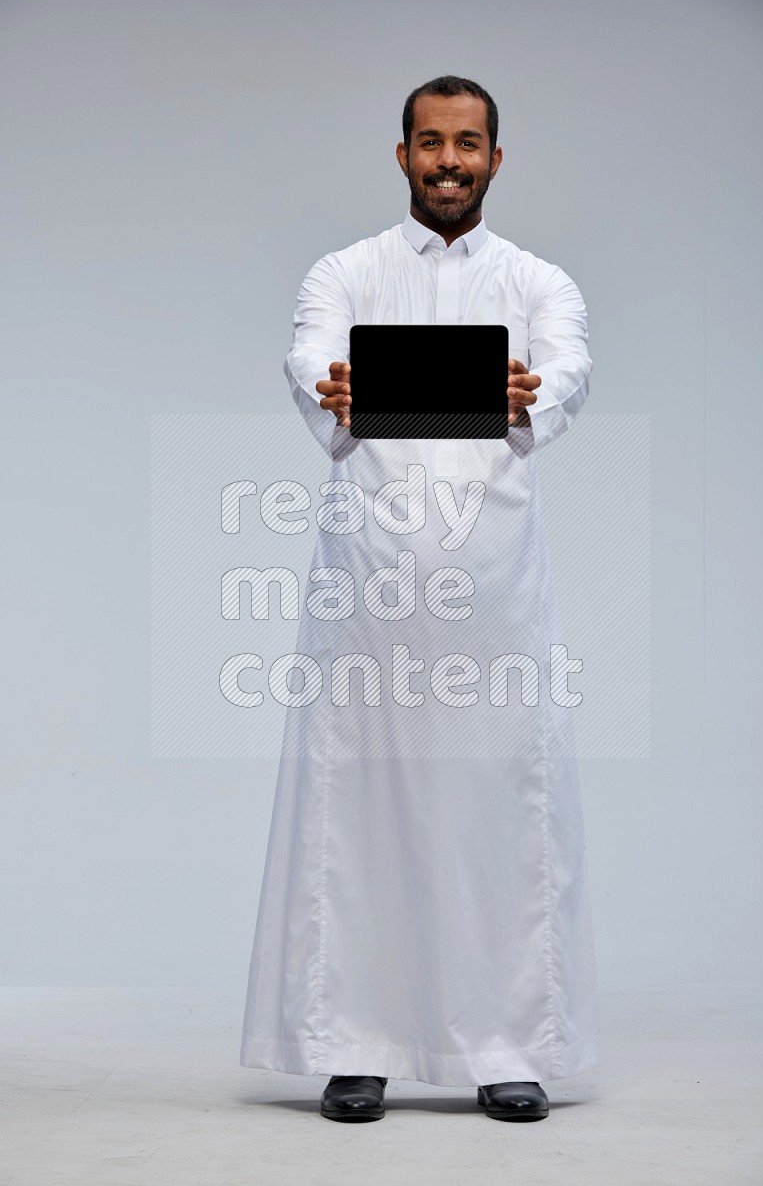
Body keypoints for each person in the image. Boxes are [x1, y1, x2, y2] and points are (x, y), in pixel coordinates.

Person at [240, 74, 600, 1123]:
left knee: (497, 808)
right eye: (430, 142)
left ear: (495, 157)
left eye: (469, 144)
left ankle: (506, 1044)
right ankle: (354, 1042)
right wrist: (332, 384)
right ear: (400, 154)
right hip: (368, 591)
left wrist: (535, 389)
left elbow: (566, 368)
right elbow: (311, 354)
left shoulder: (540, 283)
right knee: (360, 809)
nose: (449, 160)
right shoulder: (343, 272)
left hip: (493, 590)